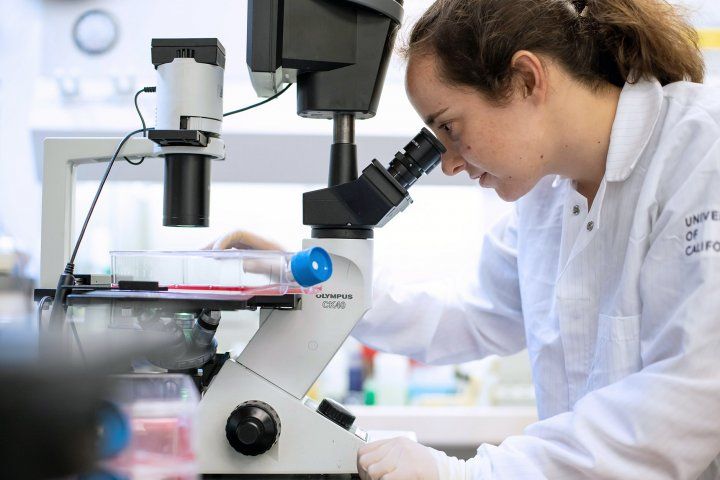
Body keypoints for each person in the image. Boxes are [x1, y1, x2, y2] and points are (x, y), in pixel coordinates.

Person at [212, 0, 720, 477]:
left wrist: (468, 472)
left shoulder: (700, 153)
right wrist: (310, 279)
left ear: (526, 79)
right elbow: (469, 315)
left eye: (450, 127)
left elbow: (692, 397)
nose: (451, 163)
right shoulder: (548, 195)